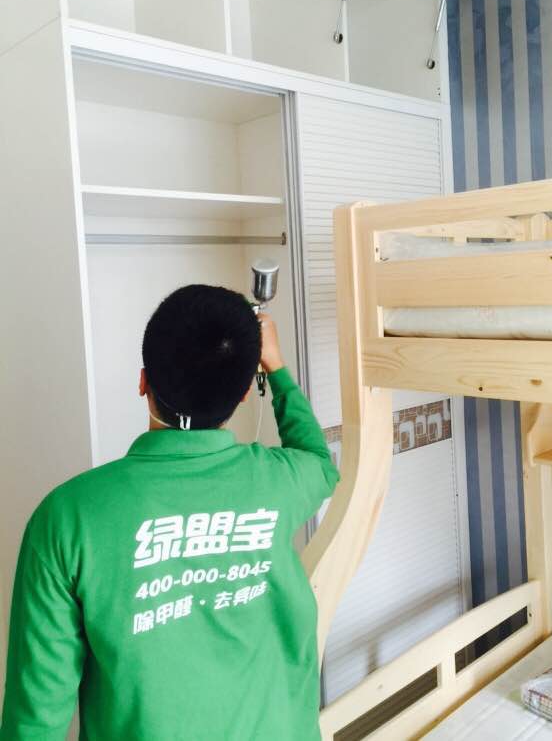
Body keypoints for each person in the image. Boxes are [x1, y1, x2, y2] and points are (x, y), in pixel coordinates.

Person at [0, 284, 340, 740]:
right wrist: (275, 368)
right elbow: (319, 460)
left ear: (143, 382)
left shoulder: (66, 517)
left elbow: (35, 721)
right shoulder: (279, 482)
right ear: (244, 393)